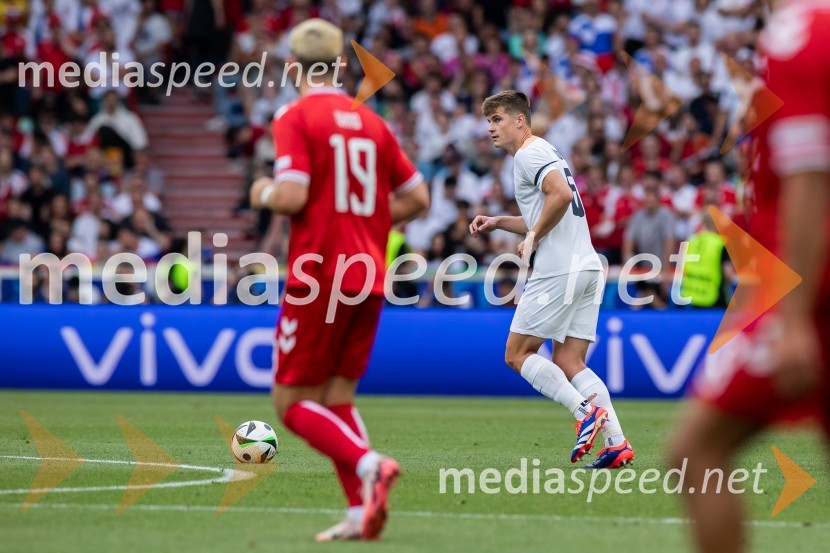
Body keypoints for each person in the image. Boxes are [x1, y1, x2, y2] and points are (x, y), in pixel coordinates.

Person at [248, 19, 430, 542]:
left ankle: (371, 465)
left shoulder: (295, 115)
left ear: (291, 67)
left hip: (319, 272)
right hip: (368, 273)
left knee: (289, 404)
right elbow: (418, 198)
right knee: (337, 397)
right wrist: (368, 221)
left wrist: (262, 191)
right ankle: (358, 512)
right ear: (342, 66)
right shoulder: (371, 121)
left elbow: (292, 196)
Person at [671, 2, 830, 552]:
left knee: (696, 451)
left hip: (814, 286)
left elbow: (810, 181)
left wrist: (794, 317)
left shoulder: (801, 32)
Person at [469, 90, 634, 468]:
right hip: (586, 265)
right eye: (488, 121)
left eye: (497, 119)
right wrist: (500, 222)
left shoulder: (529, 153)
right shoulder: (543, 152)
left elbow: (558, 195)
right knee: (569, 359)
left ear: (520, 120)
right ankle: (617, 443)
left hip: (559, 268)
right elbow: (550, 208)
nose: (491, 128)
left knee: (516, 354)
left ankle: (585, 412)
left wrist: (533, 236)